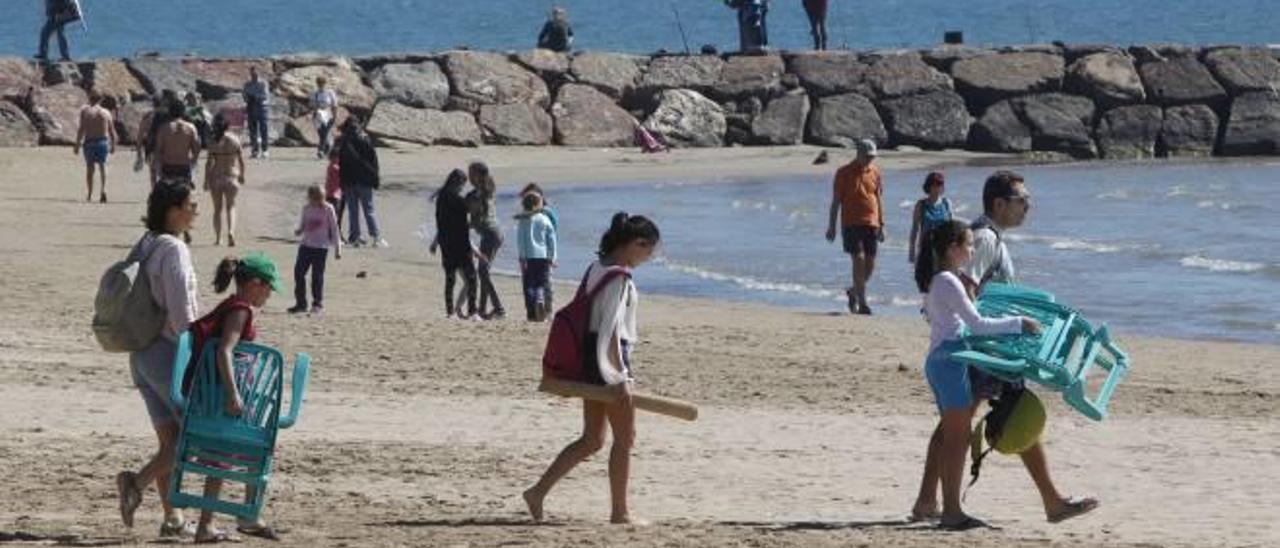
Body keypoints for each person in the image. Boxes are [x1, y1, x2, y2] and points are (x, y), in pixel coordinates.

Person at [910, 171, 1100, 528]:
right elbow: (969, 290)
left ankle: (927, 501)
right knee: (1005, 413)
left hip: (981, 346)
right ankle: (1049, 502)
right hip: (986, 350)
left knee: (966, 423)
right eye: (1021, 199)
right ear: (999, 203)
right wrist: (1007, 329)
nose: (1028, 205)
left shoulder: (986, 237)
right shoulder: (982, 239)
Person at [524, 212, 661, 524]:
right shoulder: (620, 277)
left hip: (590, 361)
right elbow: (611, 331)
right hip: (609, 363)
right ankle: (620, 512)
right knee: (625, 440)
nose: (649, 256)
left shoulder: (597, 268)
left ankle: (537, 492)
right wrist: (620, 377)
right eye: (648, 249)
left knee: (592, 439)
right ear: (635, 243)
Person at [910, 219, 1042, 530]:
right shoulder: (948, 280)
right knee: (958, 439)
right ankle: (952, 512)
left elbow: (963, 323)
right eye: (968, 245)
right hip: (950, 361)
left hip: (943, 359)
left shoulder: (940, 279)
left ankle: (942, 507)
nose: (972, 250)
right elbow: (977, 323)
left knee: (954, 436)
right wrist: (1018, 322)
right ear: (952, 248)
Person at [114, 181, 200, 540]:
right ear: (174, 209)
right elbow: (181, 315)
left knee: (169, 441)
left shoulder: (146, 243)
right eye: (191, 204)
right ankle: (137, 482)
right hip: (169, 353)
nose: (196, 210)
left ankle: (173, 519)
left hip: (141, 353)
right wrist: (200, 348)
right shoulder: (174, 249)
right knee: (192, 438)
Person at [188, 254, 284, 543]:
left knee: (223, 457)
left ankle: (215, 523)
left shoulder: (232, 305)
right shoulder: (241, 310)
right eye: (268, 288)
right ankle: (247, 514)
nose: (269, 294)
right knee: (258, 449)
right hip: (223, 400)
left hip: (216, 397)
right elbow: (224, 350)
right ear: (255, 283)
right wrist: (233, 394)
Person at [824, 139, 884, 315]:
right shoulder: (843, 173)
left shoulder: (875, 172)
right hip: (851, 223)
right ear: (858, 154)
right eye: (867, 156)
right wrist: (832, 226)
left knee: (870, 264)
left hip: (871, 223)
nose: (870, 160)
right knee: (858, 260)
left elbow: (879, 199)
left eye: (872, 157)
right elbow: (836, 202)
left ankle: (853, 291)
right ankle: (863, 303)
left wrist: (882, 223)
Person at [430, 169, 478, 319]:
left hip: (446, 243)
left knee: (450, 279)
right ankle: (472, 311)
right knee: (472, 278)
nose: (462, 188)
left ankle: (450, 312)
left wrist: (436, 242)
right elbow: (469, 216)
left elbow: (442, 224)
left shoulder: (441, 198)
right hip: (460, 243)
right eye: (462, 185)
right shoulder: (457, 200)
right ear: (458, 183)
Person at [289, 184, 342, 314]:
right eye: (315, 198)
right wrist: (299, 231)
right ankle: (301, 303)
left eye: (321, 198)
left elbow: (335, 229)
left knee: (317, 276)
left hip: (321, 247)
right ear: (310, 197)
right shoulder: (306, 208)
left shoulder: (328, 209)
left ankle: (317, 304)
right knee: (299, 273)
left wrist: (337, 248)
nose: (318, 201)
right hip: (305, 246)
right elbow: (303, 224)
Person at [336, 117, 385, 247]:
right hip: (364, 180)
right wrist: (375, 178)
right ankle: (376, 237)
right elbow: (373, 160)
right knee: (369, 209)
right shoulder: (364, 138)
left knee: (353, 210)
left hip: (349, 181)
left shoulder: (344, 140)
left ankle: (355, 237)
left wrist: (341, 181)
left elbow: (341, 162)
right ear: (359, 125)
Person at [465, 161, 505, 319]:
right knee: (483, 272)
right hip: (494, 234)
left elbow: (475, 219)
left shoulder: (477, 195)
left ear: (477, 175)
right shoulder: (488, 190)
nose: (468, 176)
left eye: (470, 173)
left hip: (491, 235)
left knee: (483, 271)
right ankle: (482, 310)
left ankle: (499, 309)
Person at [204, 113, 245, 247]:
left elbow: (209, 163)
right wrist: (242, 175)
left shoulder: (213, 141)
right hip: (232, 175)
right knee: (231, 206)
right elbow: (241, 161)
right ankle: (231, 232)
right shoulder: (235, 139)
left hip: (216, 176)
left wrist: (206, 180)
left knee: (217, 209)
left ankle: (217, 238)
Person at [516, 192, 557, 321]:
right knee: (541, 283)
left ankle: (531, 313)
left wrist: (522, 257)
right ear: (538, 205)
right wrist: (552, 257)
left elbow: (520, 240)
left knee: (529, 284)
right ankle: (540, 299)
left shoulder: (523, 221)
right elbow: (552, 240)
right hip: (543, 257)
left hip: (528, 257)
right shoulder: (544, 219)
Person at [74, 91, 117, 203]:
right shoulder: (106, 112)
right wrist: (113, 145)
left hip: (89, 142)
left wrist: (77, 145)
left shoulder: (85, 111)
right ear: (100, 100)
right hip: (102, 142)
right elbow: (112, 131)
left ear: (90, 99)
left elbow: (81, 129)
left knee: (90, 169)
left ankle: (89, 194)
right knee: (103, 167)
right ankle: (104, 190)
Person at [152, 100, 201, 188]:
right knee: (185, 195)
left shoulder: (164, 128)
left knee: (167, 195)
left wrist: (158, 167)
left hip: (168, 166)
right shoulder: (191, 128)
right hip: (184, 166)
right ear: (183, 111)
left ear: (170, 112)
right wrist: (193, 162)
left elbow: (158, 149)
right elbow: (196, 148)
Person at [909, 171, 952, 265]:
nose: (938, 188)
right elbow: (915, 229)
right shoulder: (921, 205)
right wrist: (912, 251)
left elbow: (952, 228)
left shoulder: (947, 203)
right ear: (929, 186)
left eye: (940, 184)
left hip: (943, 249)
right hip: (926, 249)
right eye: (935, 185)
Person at [241, 67, 271, 159]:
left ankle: (265, 150)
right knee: (253, 130)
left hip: (261, 108)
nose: (254, 76)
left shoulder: (263, 83)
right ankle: (255, 150)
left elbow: (265, 96)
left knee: (263, 129)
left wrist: (255, 97)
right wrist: (247, 98)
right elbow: (244, 95)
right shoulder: (247, 84)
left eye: (256, 74)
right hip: (251, 108)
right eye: (252, 74)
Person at [309, 76, 339, 159]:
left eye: (322, 83)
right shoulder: (314, 93)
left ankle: (320, 150)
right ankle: (328, 148)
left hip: (328, 114)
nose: (321, 85)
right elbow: (311, 104)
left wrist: (335, 115)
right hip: (318, 115)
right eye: (319, 83)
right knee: (321, 134)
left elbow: (334, 104)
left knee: (325, 132)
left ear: (325, 83)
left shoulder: (330, 92)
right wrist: (314, 110)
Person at [324, 149, 344, 236]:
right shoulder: (335, 168)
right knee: (335, 216)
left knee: (331, 216)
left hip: (329, 194)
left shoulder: (330, 166)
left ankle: (331, 234)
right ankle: (334, 235)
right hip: (335, 195)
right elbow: (341, 178)